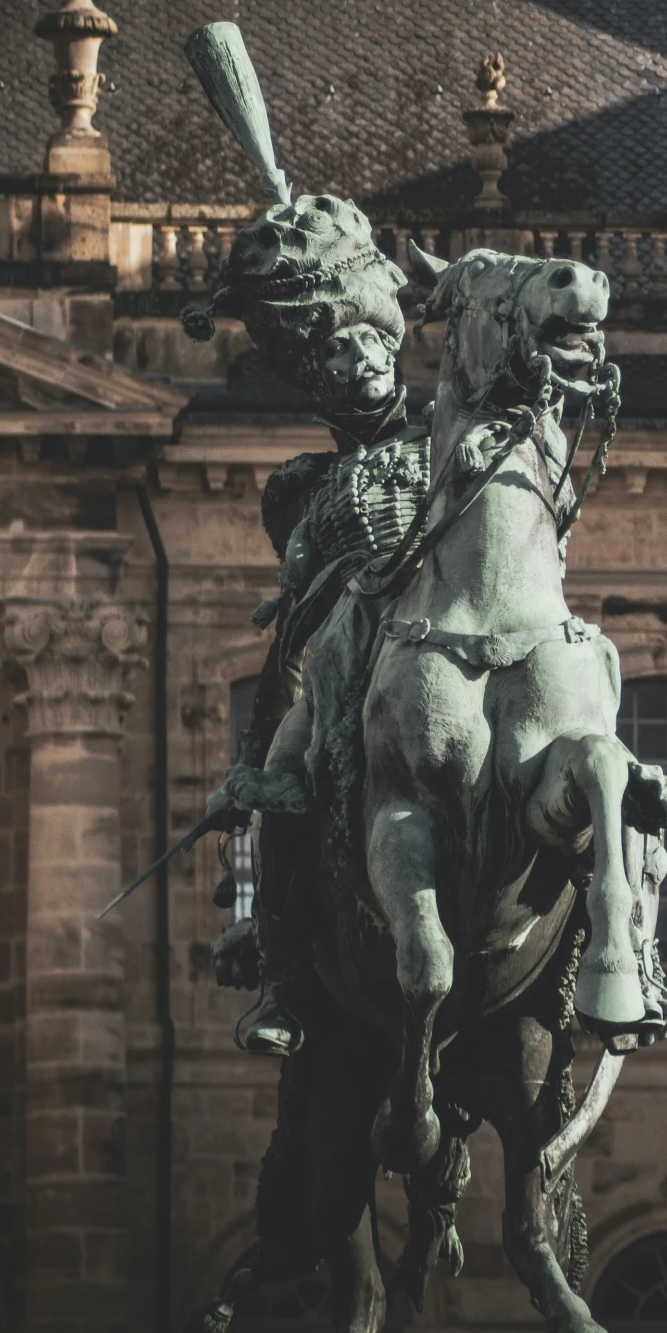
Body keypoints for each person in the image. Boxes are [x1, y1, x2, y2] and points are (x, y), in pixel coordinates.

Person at [182, 193, 429, 1056]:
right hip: (349, 674)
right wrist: (248, 766)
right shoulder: (305, 492)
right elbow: (287, 641)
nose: (355, 363)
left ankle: (615, 936)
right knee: (291, 781)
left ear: (391, 347)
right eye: (335, 356)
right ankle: (285, 980)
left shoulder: (457, 442)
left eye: (366, 343)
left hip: (459, 643)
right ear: (316, 382)